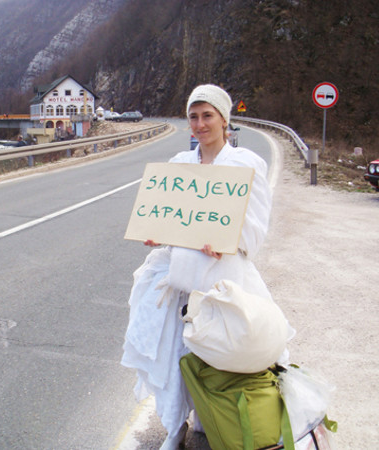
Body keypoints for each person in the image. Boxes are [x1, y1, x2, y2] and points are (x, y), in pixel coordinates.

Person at [121, 84, 291, 449]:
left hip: (222, 276)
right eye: (193, 117)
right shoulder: (180, 167)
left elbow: (255, 230)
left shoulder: (245, 165)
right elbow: (170, 219)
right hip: (178, 274)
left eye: (207, 115)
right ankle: (174, 424)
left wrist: (228, 245)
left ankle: (217, 416)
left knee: (218, 349)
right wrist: (157, 235)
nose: (200, 124)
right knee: (173, 351)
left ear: (224, 119)